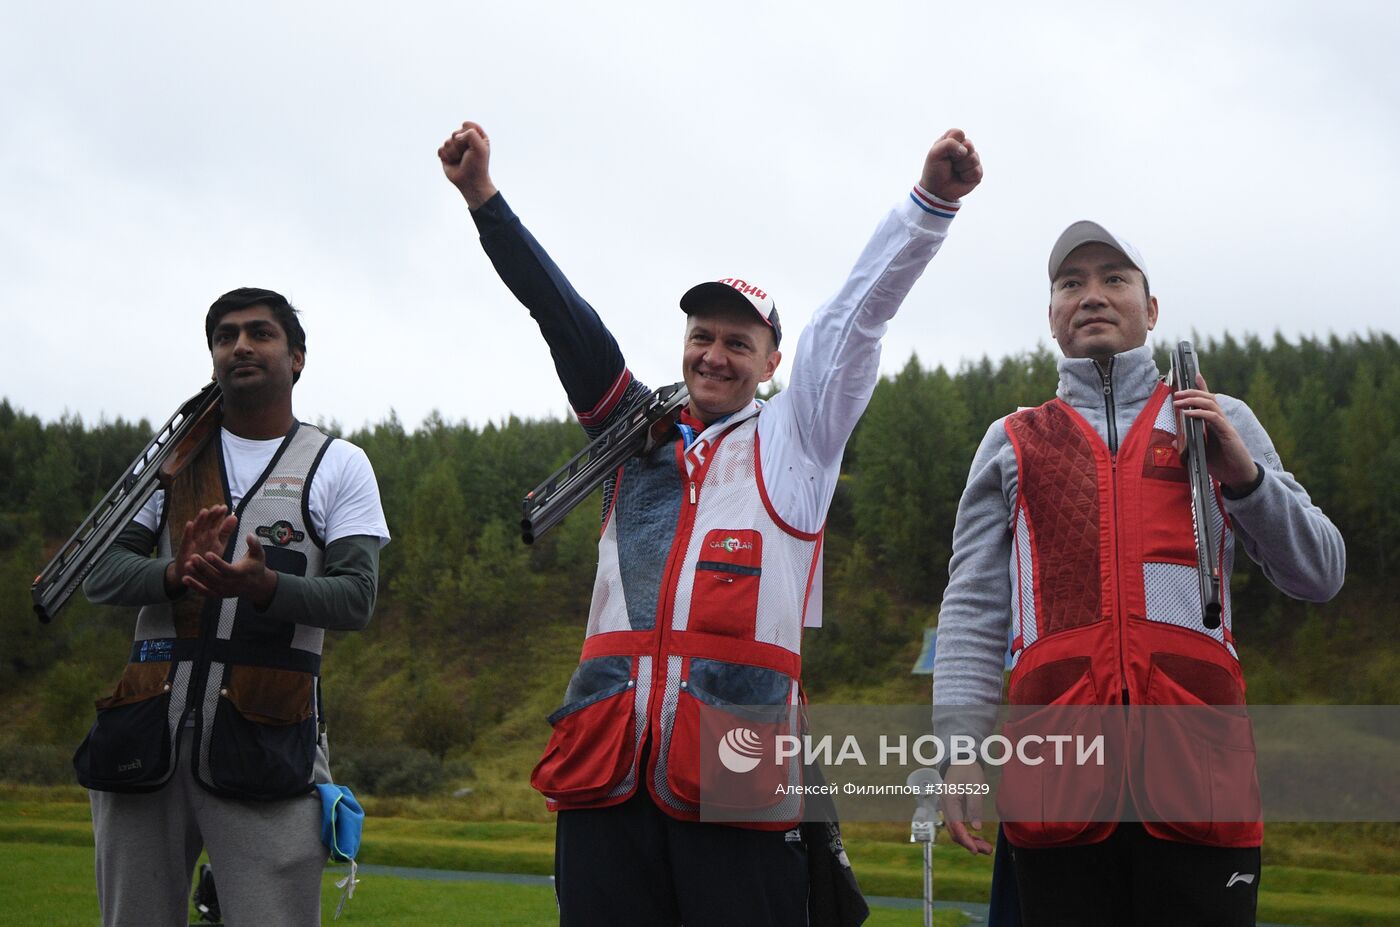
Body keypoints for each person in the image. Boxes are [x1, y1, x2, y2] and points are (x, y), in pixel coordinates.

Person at [439, 119, 982, 926]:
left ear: (772, 363)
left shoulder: (798, 438)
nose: (715, 355)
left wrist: (930, 203)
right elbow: (561, 316)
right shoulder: (630, 431)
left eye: (739, 341)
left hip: (738, 772)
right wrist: (484, 198)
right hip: (605, 769)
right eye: (701, 336)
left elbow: (852, 322)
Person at [932, 223, 1346, 926]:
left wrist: (1244, 476)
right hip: (1057, 780)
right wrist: (959, 752)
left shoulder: (1221, 420)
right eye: (1072, 283)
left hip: (1200, 781)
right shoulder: (1012, 440)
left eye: (1115, 279)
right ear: (1052, 315)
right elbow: (973, 607)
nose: (1092, 295)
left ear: (1151, 310)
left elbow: (1321, 571)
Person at [76, 287, 391, 927]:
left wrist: (263, 587)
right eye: (224, 336)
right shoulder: (166, 461)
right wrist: (174, 573)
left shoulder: (340, 465)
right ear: (213, 356)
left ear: (297, 357)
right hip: (144, 729)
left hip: (270, 735)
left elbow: (357, 598)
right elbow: (98, 575)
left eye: (260, 333)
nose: (240, 345)